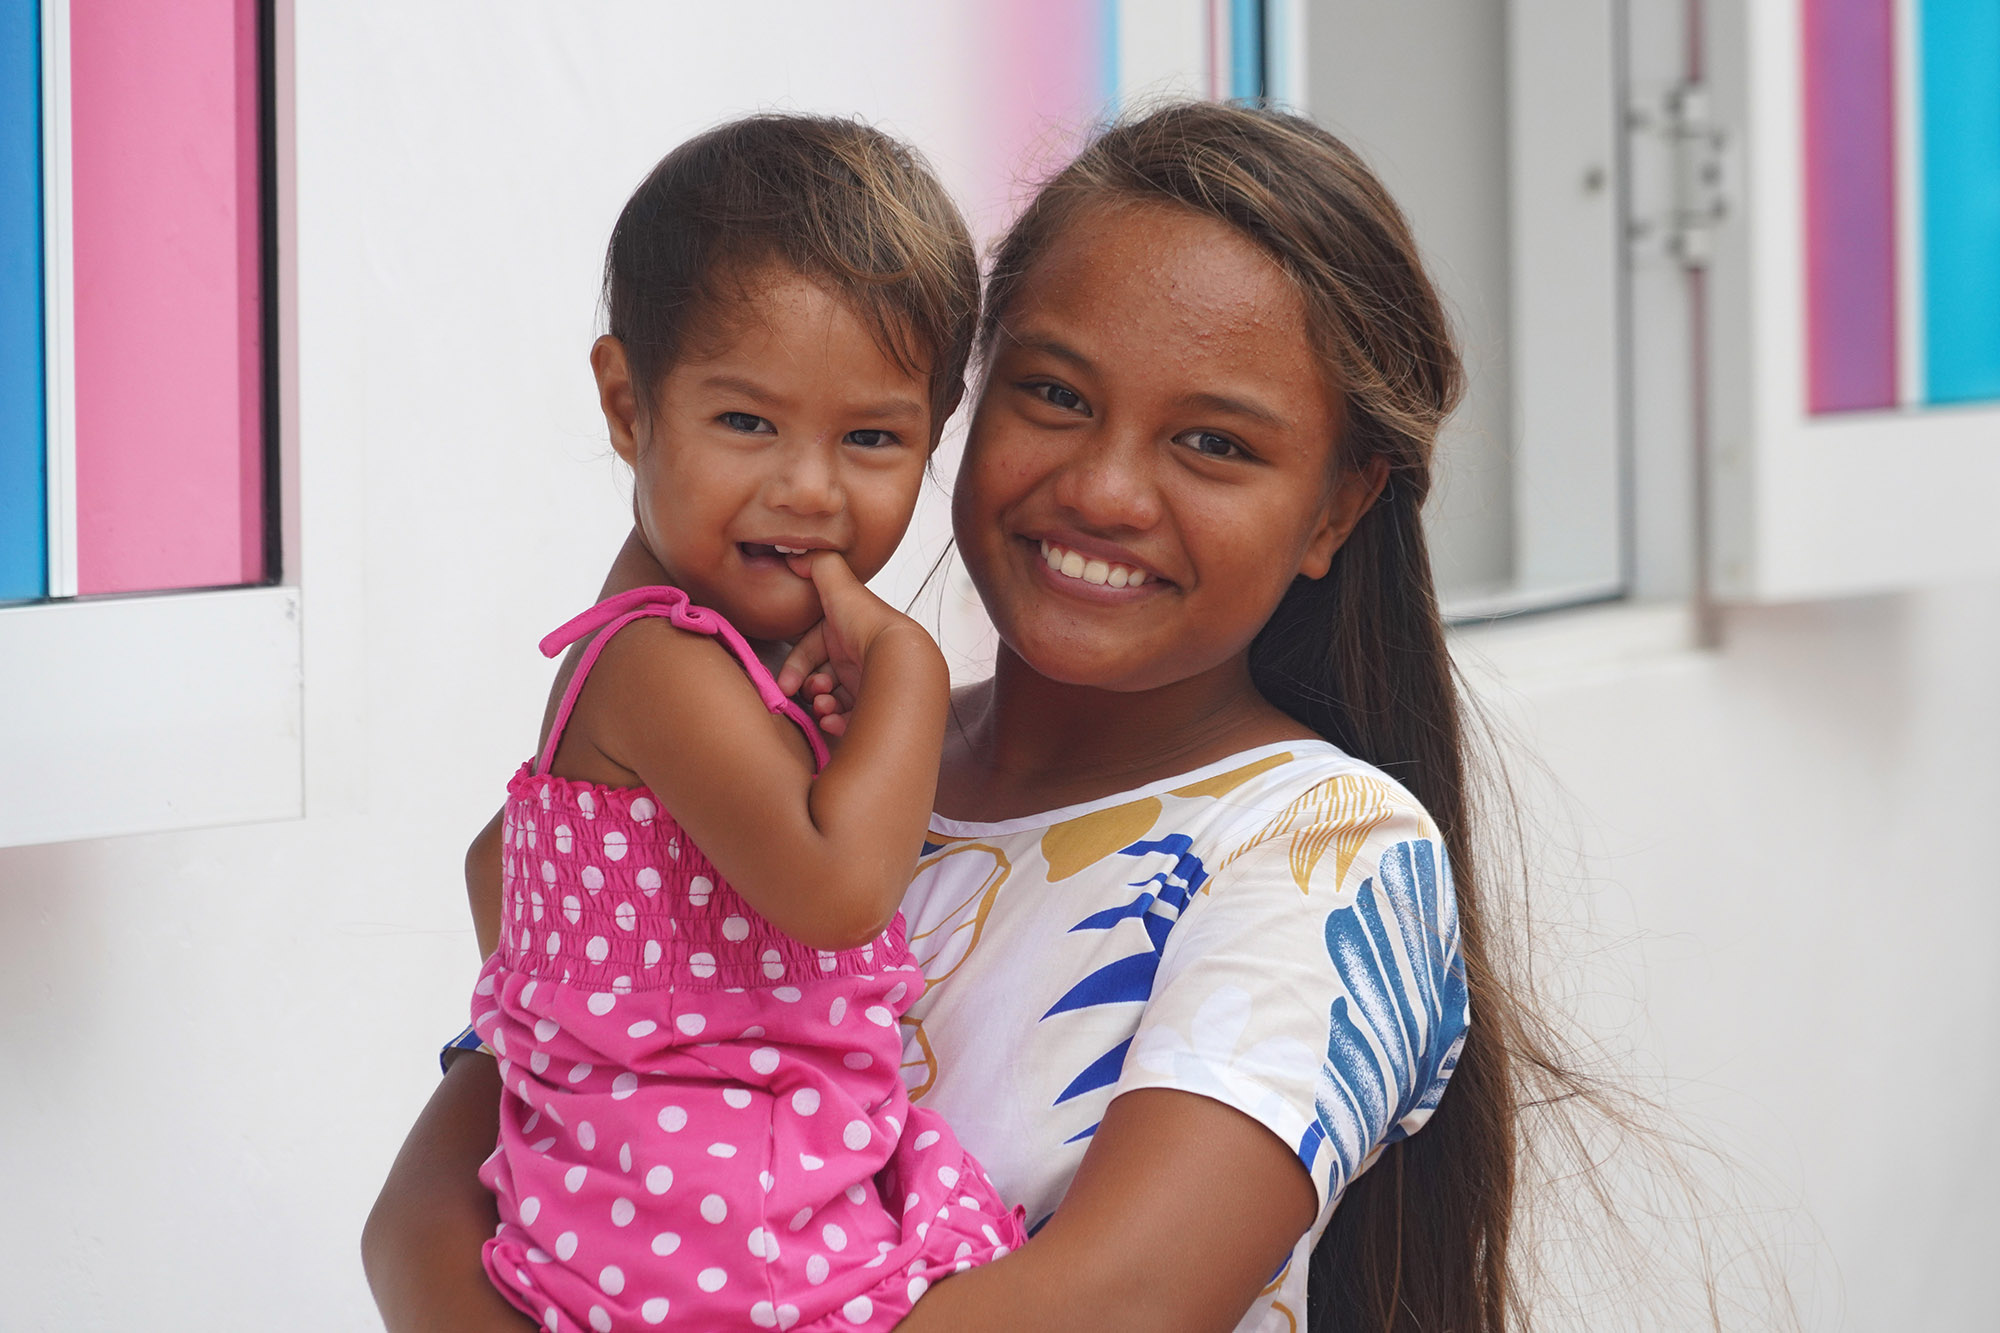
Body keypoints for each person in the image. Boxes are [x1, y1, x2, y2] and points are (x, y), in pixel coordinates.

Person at [366, 101, 1512, 1333]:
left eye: (1211, 443)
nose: (1104, 489)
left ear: (1335, 508)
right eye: (1053, 394)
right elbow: (432, 1215)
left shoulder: (1321, 850)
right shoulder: (797, 770)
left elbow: (1111, 1301)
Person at [445, 114, 1027, 1333]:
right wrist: (911, 671)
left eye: (870, 438)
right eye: (746, 423)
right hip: (738, 1260)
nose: (807, 488)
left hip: (650, 1231)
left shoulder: (662, 651)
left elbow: (495, 867)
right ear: (627, 404)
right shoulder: (659, 661)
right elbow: (837, 890)